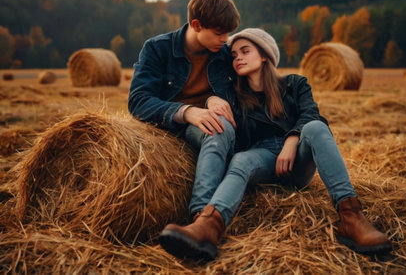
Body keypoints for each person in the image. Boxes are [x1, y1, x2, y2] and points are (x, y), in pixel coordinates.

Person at [159, 28, 392, 261]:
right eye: (234, 54)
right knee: (242, 160)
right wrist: (211, 99)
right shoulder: (234, 97)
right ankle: (208, 227)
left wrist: (292, 140)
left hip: (299, 158)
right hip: (261, 160)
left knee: (315, 127)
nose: (237, 57)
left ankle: (351, 217)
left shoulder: (295, 85)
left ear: (264, 55)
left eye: (245, 51)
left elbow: (311, 114)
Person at [128, 0, 241, 245]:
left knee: (220, 127)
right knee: (215, 124)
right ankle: (202, 216)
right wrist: (187, 112)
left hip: (204, 128)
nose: (225, 40)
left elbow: (240, 101)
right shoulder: (157, 48)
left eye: (228, 33)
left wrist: (213, 99)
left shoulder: (224, 54)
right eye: (219, 32)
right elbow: (138, 101)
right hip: (167, 127)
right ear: (196, 25)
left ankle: (201, 219)